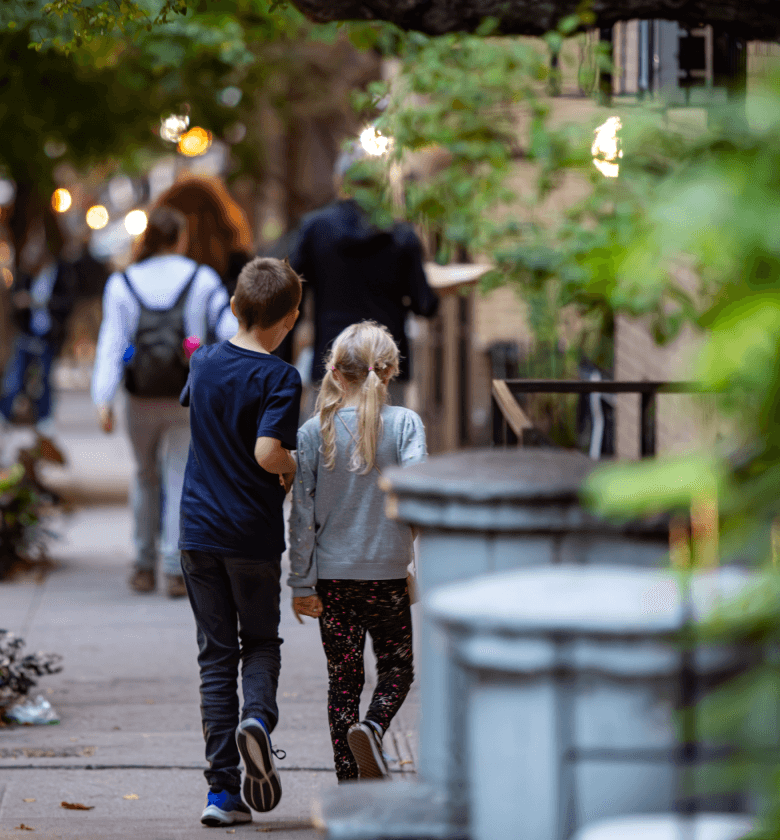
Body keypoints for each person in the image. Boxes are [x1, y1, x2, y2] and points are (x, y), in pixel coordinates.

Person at [178, 257, 302, 827]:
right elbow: (266, 452)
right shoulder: (281, 377)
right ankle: (257, 718)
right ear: (292, 318)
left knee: (215, 656)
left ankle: (223, 793)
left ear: (233, 307)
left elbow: (195, 408)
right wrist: (293, 464)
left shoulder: (203, 361)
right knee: (260, 643)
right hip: (250, 535)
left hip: (197, 532)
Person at [288, 320, 426, 782]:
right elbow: (418, 493)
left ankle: (349, 783)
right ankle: (373, 726)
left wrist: (301, 583)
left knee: (343, 683)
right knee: (397, 669)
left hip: (333, 577)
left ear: (332, 369)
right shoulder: (405, 425)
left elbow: (302, 516)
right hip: (385, 574)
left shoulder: (312, 432)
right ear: (389, 373)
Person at [91, 206, 236, 598]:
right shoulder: (202, 279)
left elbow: (112, 343)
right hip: (186, 394)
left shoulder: (123, 282)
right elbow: (228, 331)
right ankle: (175, 569)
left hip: (139, 396)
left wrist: (102, 397)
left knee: (144, 476)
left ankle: (143, 565)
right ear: (180, 239)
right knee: (179, 477)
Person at [288, 151, 439, 408]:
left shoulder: (315, 229)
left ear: (340, 181)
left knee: (329, 444)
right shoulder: (401, 234)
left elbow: (291, 299)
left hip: (332, 363)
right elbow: (425, 304)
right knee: (385, 443)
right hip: (385, 368)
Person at [0, 205, 77, 452]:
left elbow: (67, 302)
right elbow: (14, 301)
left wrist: (40, 302)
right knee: (15, 378)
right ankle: (4, 416)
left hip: (48, 334)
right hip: (27, 332)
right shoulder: (26, 274)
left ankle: (45, 425)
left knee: (44, 378)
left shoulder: (61, 273)